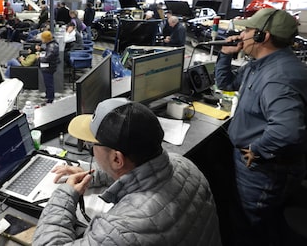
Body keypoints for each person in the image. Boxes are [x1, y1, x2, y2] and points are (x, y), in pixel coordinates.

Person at [33, 97, 222, 246]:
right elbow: (144, 171)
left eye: (92, 145)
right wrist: (92, 174)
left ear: (117, 159)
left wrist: (64, 196)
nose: (91, 149)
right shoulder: (183, 164)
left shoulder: (121, 230)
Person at [214, 8, 307, 246]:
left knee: (251, 223)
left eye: (247, 30)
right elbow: (227, 83)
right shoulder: (261, 64)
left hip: (262, 168)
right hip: (258, 162)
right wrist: (225, 54)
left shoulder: (277, 76)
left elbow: (288, 130)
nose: (242, 34)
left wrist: (257, 149)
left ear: (261, 37)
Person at [37, 31, 59, 104]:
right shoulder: (51, 44)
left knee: (49, 84)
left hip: (49, 67)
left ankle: (50, 99)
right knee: (47, 83)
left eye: (43, 38)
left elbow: (47, 58)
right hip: (49, 66)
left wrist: (39, 58)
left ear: (46, 39)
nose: (42, 40)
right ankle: (48, 95)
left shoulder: (52, 47)